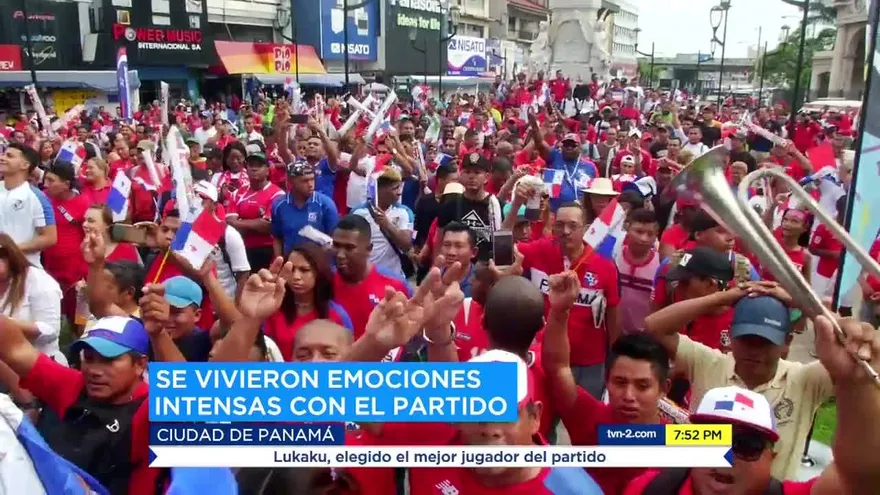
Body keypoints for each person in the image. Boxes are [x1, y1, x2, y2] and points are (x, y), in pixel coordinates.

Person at [645, 287, 834, 479]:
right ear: (731, 337)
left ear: (787, 341)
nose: (754, 350)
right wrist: (723, 297)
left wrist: (799, 301)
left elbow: (856, 357)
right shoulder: (708, 364)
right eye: (746, 340)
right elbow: (654, 326)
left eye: (765, 342)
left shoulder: (805, 380)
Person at [543, 270, 671, 494]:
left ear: (664, 389)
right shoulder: (588, 418)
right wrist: (560, 311)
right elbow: (557, 367)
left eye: (642, 386)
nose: (629, 395)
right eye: (620, 382)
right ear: (606, 380)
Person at [0, 315, 158, 493]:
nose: (94, 371)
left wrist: (159, 336)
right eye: (89, 358)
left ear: (139, 365)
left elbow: (189, 404)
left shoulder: (152, 409)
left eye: (108, 360)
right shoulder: (75, 386)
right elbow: (15, 350)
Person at [503, 197, 621, 399]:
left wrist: (617, 360)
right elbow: (501, 250)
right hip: (544, 358)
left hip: (589, 364)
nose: (565, 231)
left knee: (585, 427)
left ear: (584, 228)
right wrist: (515, 206)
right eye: (560, 225)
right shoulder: (540, 250)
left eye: (572, 226)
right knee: (542, 425)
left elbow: (613, 317)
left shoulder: (606, 267)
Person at [262, 243, 353, 361]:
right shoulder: (274, 309)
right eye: (291, 270)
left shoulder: (337, 314)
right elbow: (267, 351)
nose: (296, 277)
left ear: (318, 272)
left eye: (304, 270)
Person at [331, 215, 411, 338]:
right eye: (336, 245)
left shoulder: (396, 285)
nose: (340, 254)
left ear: (369, 249)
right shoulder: (322, 282)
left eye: (349, 248)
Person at [226, 149, 285, 272]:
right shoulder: (238, 193)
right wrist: (255, 223)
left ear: (268, 170)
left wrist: (240, 222)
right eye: (251, 165)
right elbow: (229, 223)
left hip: (266, 250)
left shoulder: (277, 194)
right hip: (240, 247)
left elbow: (267, 226)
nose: (254, 168)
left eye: (259, 165)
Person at [0, 143, 57, 267]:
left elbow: (50, 237)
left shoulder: (37, 197)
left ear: (25, 165)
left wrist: (12, 250)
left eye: (9, 156)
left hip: (23, 269)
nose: (2, 158)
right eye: (3, 154)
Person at [352, 167, 414, 279]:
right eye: (395, 188)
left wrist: (387, 224)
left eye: (400, 187)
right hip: (366, 278)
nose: (399, 192)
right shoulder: (359, 212)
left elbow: (406, 245)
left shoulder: (404, 212)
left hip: (393, 277)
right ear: (379, 189)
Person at [271, 161, 339, 258]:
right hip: (291, 264)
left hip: (320, 265)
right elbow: (278, 238)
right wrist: (279, 261)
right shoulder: (279, 205)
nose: (310, 184)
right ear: (291, 182)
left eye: (312, 179)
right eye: (304, 181)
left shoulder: (325, 205)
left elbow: (335, 240)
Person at [615, 208, 661, 333]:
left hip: (643, 338)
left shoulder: (660, 265)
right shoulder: (613, 257)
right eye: (639, 232)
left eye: (650, 234)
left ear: (656, 235)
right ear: (627, 229)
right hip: (613, 333)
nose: (644, 238)